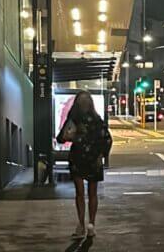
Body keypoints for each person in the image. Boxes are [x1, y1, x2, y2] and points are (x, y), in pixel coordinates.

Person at [57, 90, 112, 239]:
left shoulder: (74, 118)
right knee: (90, 193)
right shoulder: (96, 119)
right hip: (91, 159)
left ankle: (83, 225)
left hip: (80, 158)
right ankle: (89, 225)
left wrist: (71, 136)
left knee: (81, 193)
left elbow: (61, 138)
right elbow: (107, 139)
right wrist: (101, 155)